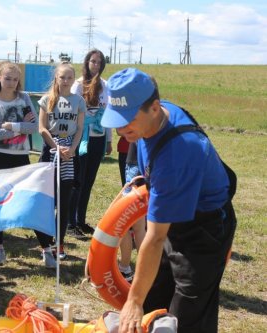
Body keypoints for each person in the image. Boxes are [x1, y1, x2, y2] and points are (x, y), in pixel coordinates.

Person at [101, 68, 236, 333]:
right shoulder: (152, 118)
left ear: (154, 108)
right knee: (153, 303)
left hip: (204, 232)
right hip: (172, 219)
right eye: (116, 120)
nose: (119, 130)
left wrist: (133, 300)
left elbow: (156, 238)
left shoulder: (179, 154)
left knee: (185, 319)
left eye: (127, 121)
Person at [0, 62, 52, 266]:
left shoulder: (24, 98)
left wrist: (12, 125)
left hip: (21, 157)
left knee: (31, 202)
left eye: (15, 79)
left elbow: (35, 126)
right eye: (7, 78)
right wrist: (20, 129)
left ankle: (46, 249)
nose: (11, 83)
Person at [37, 62, 85, 262]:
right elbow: (42, 128)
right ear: (56, 78)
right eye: (62, 77)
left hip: (70, 153)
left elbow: (80, 128)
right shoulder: (47, 99)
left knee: (64, 202)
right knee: (48, 201)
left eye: (69, 78)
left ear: (74, 80)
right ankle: (46, 243)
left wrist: (72, 150)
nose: (65, 81)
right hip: (51, 150)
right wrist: (56, 147)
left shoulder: (78, 100)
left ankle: (60, 242)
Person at [69, 49, 112, 236]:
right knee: (78, 180)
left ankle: (81, 219)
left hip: (99, 136)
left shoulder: (106, 85)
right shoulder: (78, 85)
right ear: (87, 62)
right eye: (93, 61)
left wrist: (109, 140)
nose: (96, 64)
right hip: (81, 137)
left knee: (89, 181)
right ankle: (70, 223)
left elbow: (109, 114)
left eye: (99, 62)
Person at [118, 142, 146, 282]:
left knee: (123, 224)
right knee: (139, 226)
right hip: (146, 165)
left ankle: (125, 268)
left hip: (136, 166)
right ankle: (143, 271)